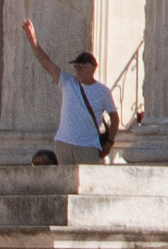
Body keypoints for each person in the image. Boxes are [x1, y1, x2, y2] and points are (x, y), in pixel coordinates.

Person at [20, 18, 120, 162]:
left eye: (81, 67)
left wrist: (109, 143)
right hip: (64, 143)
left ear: (91, 68)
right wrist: (33, 41)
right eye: (76, 67)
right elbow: (47, 64)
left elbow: (115, 119)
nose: (77, 70)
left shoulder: (103, 91)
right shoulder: (68, 82)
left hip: (88, 146)